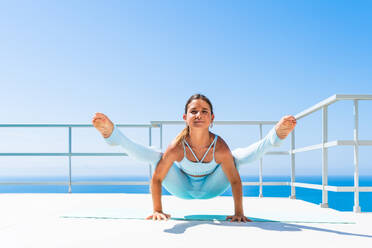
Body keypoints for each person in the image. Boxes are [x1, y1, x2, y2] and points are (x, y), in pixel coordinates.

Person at [92, 94, 297, 222]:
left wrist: (239, 213)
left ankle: (275, 136)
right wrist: (157, 210)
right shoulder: (177, 146)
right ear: (185, 118)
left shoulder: (220, 147)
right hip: (182, 187)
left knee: (236, 158)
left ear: (212, 118)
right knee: (157, 157)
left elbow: (234, 180)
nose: (199, 115)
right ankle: (113, 136)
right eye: (194, 111)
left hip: (211, 188)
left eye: (204, 111)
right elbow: (157, 178)